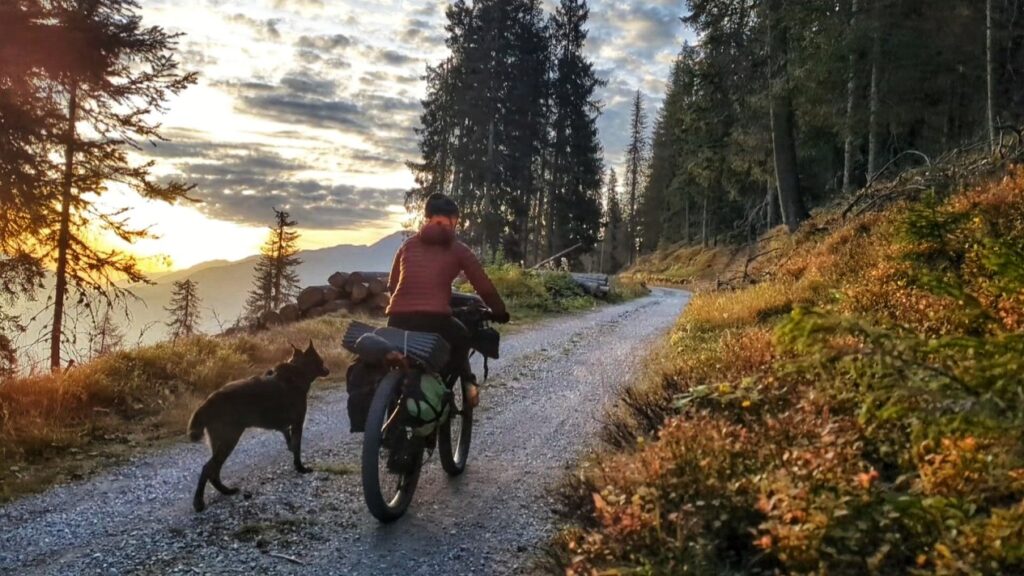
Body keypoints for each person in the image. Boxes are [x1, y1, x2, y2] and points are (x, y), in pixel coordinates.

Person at [386, 193, 510, 408]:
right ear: (454, 221)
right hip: (435, 321)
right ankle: (456, 390)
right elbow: (484, 286)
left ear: (427, 218)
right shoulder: (458, 248)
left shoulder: (407, 246)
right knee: (461, 337)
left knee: (399, 361)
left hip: (396, 319)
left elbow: (392, 284)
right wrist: (499, 311)